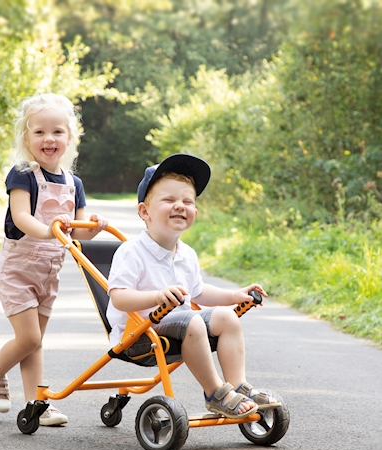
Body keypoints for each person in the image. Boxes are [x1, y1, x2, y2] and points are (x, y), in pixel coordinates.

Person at [106, 154, 277, 419]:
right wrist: (157, 296)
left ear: (195, 212)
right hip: (140, 334)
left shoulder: (187, 254)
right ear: (144, 211)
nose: (180, 206)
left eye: (187, 201)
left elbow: (198, 292)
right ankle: (215, 393)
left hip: (181, 327)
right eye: (169, 200)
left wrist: (236, 294)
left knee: (227, 317)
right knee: (193, 321)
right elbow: (118, 298)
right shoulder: (131, 252)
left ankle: (237, 386)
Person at [0, 93, 108, 426]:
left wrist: (93, 227)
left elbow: (77, 236)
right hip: (17, 270)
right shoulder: (22, 175)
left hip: (48, 274)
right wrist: (50, 231)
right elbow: (21, 217)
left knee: (35, 343)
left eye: (57, 132)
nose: (48, 139)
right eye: (39, 132)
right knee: (30, 338)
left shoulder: (74, 184)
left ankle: (38, 402)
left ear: (69, 138)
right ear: (26, 138)